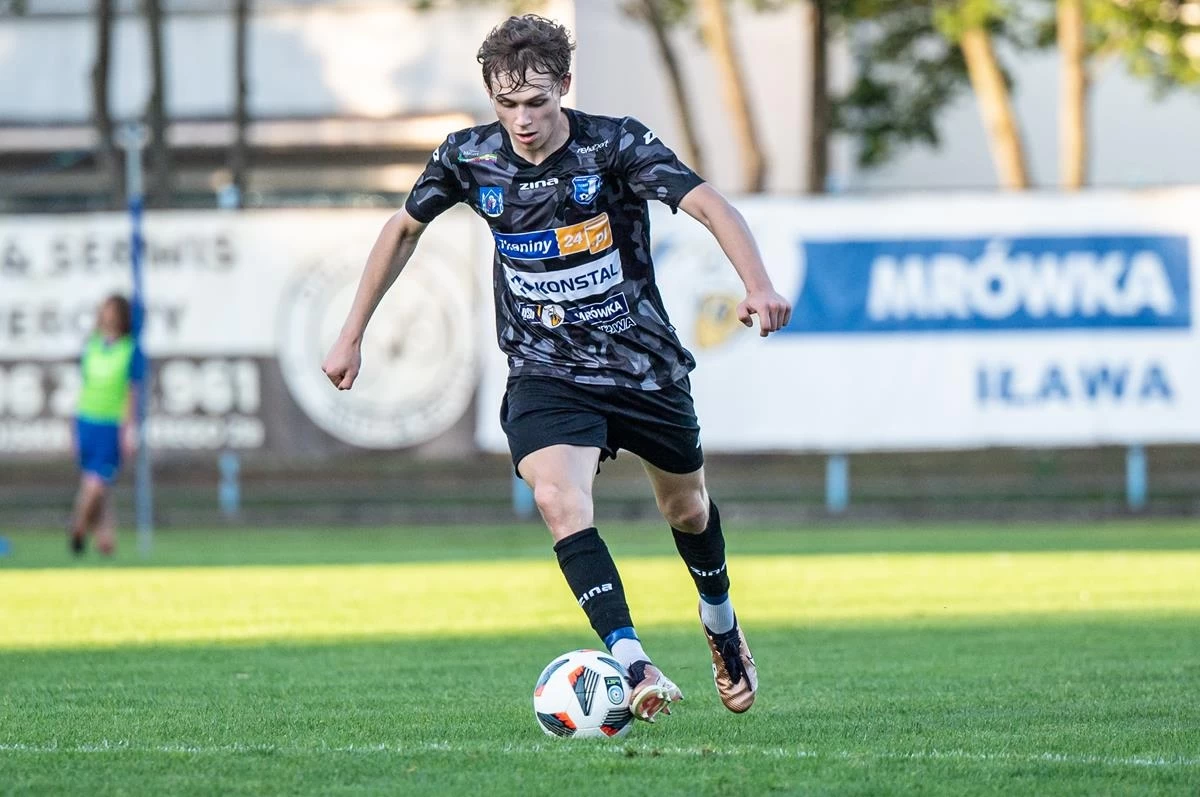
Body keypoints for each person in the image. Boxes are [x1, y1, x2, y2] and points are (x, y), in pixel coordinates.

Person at [321, 14, 792, 723]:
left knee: (687, 508)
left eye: (537, 102)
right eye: (507, 104)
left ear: (565, 86)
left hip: (642, 367)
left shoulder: (615, 144)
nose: (523, 120)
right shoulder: (468, 157)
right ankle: (632, 661)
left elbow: (708, 204)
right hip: (546, 369)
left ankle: (721, 621)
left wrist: (756, 284)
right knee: (557, 500)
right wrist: (351, 333)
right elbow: (403, 228)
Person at [69, 294, 144, 556]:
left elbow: (132, 392)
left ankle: (78, 525)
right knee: (97, 483)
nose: (107, 315)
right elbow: (85, 385)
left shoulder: (130, 349)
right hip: (86, 418)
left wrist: (129, 429)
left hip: (111, 423)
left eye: (112, 310)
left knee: (97, 482)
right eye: (104, 310)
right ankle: (105, 538)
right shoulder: (92, 344)